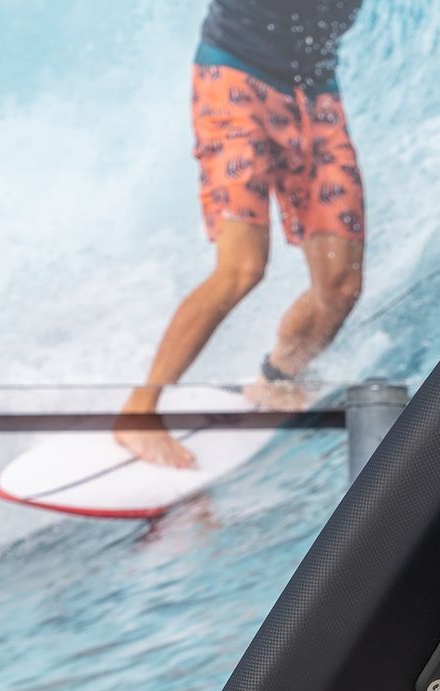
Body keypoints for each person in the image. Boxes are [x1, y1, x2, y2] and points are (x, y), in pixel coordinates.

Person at [117, 1, 366, 468]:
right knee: (243, 268)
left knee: (340, 286)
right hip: (235, 77)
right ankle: (139, 412)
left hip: (314, 95)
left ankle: (277, 379)